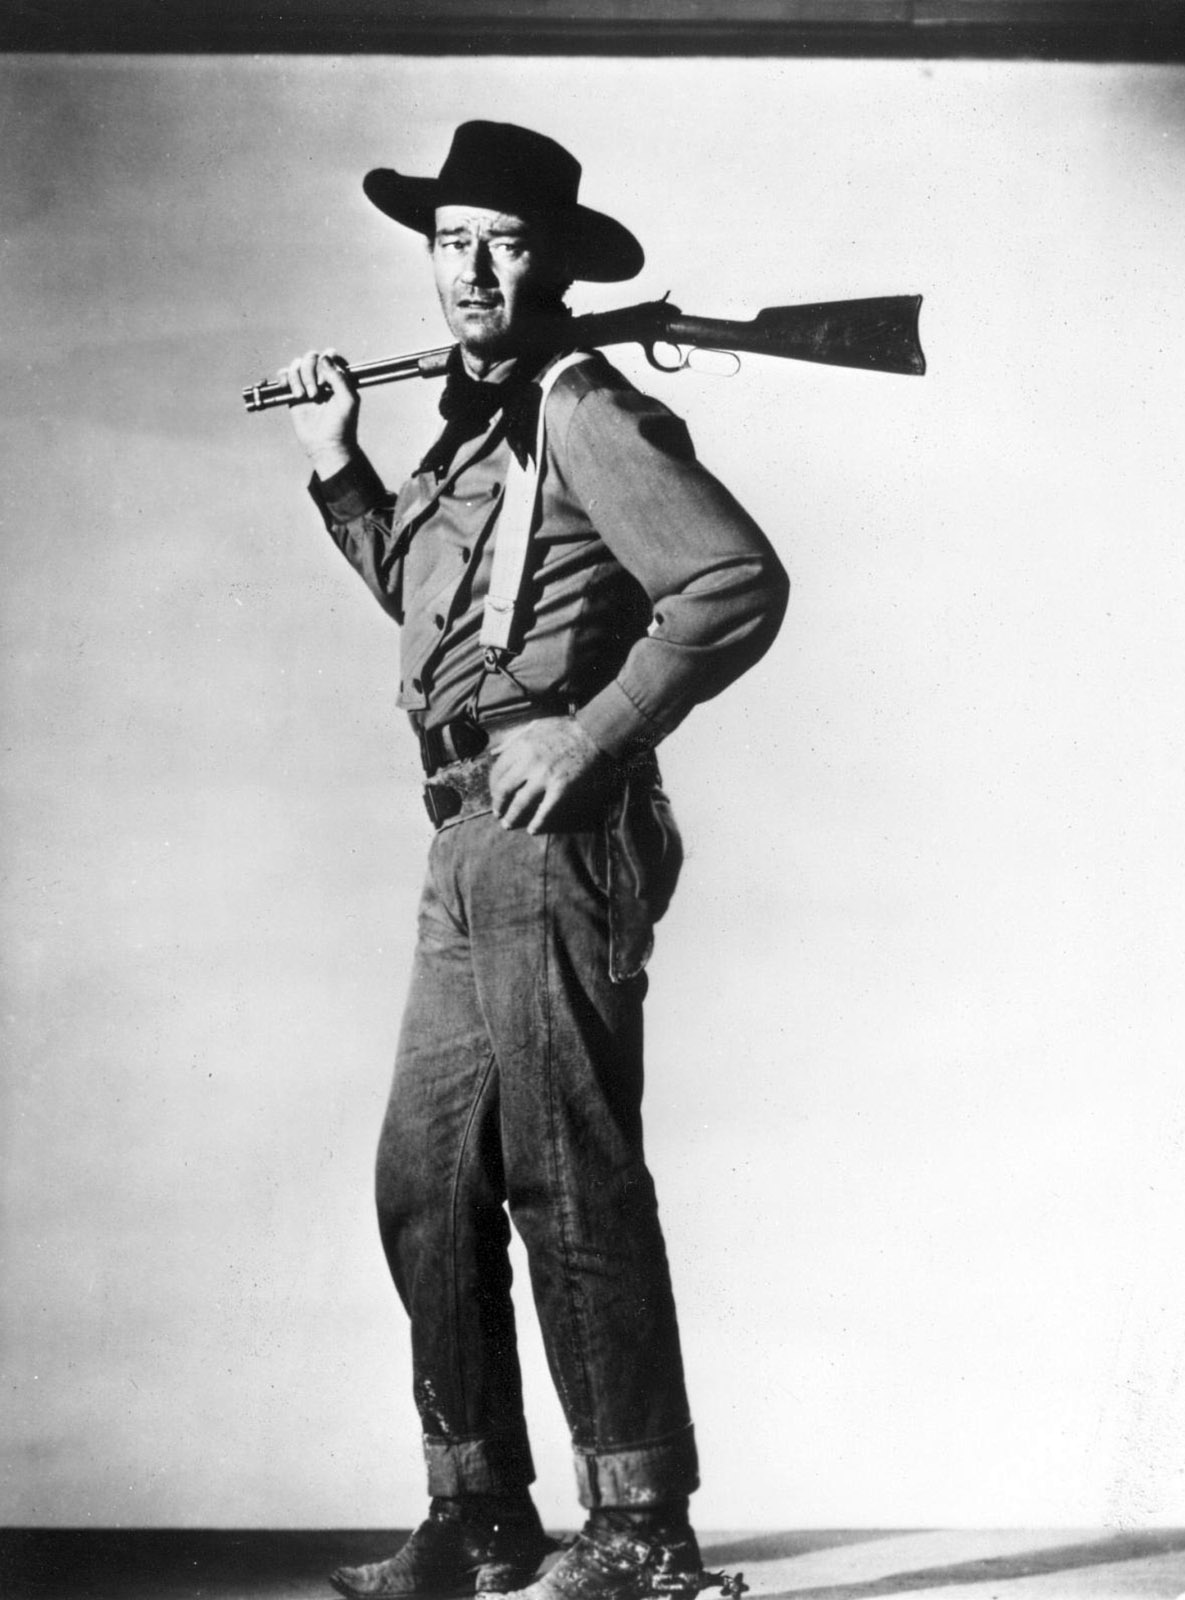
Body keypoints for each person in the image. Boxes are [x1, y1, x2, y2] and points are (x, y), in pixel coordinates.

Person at [279, 121, 788, 1600]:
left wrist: (597, 732)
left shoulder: (580, 406)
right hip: (463, 835)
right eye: (451, 243)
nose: (473, 271)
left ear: (554, 260)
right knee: (426, 1178)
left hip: (557, 833)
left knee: (567, 1174)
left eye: (503, 243)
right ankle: (482, 1516)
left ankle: (639, 1534)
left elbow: (733, 581)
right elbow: (428, 612)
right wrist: (340, 467)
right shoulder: (474, 426)